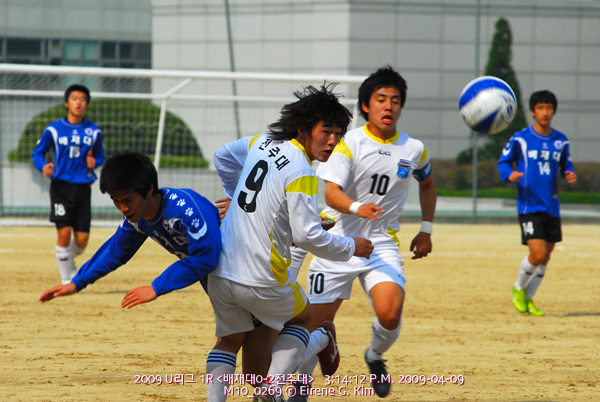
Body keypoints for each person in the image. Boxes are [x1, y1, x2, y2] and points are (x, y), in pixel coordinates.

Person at [206, 84, 374, 402]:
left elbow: (222, 157)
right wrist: (353, 246)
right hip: (263, 280)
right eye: (326, 131)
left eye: (338, 134)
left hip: (221, 273)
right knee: (305, 319)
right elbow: (307, 236)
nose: (333, 141)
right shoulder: (302, 172)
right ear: (303, 129)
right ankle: (277, 385)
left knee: (230, 345)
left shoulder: (260, 141)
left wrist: (234, 196)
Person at [290, 66, 437, 400]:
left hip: (380, 245)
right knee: (312, 328)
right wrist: (358, 207)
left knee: (389, 312)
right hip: (336, 244)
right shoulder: (347, 143)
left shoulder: (414, 149)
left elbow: (427, 182)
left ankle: (374, 355)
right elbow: (331, 193)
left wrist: (426, 229)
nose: (389, 106)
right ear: (366, 106)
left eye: (395, 100)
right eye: (381, 99)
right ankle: (301, 387)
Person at [39, 151, 222, 310]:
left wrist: (156, 287)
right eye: (116, 201)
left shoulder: (184, 209)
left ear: (149, 188)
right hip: (216, 276)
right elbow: (116, 251)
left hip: (241, 270)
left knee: (236, 335)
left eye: (128, 200)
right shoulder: (139, 218)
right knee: (237, 334)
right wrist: (77, 283)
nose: (123, 208)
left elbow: (206, 257)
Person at [498, 90, 577, 317]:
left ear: (553, 111)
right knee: (538, 253)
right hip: (529, 205)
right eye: (540, 108)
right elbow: (503, 162)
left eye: (549, 107)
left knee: (546, 257)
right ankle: (519, 288)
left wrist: (569, 174)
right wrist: (509, 174)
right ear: (533, 111)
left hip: (551, 206)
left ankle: (529, 299)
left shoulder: (561, 140)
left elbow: (566, 165)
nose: (545, 112)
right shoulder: (521, 138)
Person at [32, 84, 105, 285]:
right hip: (61, 187)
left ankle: (68, 259)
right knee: (63, 233)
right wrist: (43, 166)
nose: (78, 102)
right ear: (67, 103)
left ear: (87, 104)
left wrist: (95, 163)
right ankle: (66, 280)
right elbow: (38, 153)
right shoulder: (53, 130)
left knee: (82, 242)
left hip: (83, 188)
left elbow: (100, 156)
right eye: (74, 98)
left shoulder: (93, 131)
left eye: (82, 99)